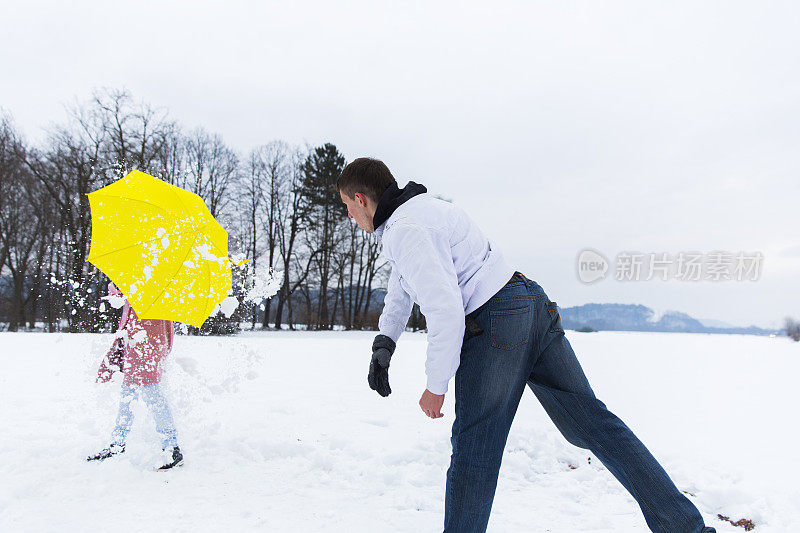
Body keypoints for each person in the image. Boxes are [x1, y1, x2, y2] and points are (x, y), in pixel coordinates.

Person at [337, 158, 715, 533]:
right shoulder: (420, 213)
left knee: (474, 453)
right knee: (594, 426)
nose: (350, 218)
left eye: (348, 208)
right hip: (529, 302)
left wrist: (436, 385)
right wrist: (384, 344)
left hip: (497, 322)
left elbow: (445, 311)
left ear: (361, 198)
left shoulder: (406, 229)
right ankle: (686, 529)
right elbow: (402, 288)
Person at [87, 282, 183, 470]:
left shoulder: (151, 277)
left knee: (151, 394)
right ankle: (117, 444)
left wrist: (116, 285)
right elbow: (119, 297)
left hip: (147, 341)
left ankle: (172, 447)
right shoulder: (148, 275)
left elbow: (119, 294)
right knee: (128, 395)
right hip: (139, 341)